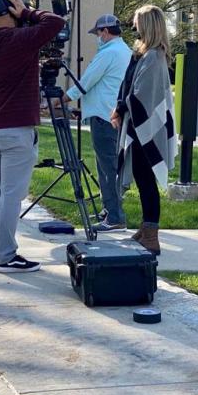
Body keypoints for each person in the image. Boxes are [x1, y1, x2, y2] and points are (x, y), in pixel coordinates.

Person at [0, 0, 65, 273]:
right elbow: (55, 22)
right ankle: (6, 256)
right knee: (11, 196)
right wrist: (27, 12)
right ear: (13, 13)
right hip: (16, 131)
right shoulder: (20, 41)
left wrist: (8, 13)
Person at [110, 4, 177, 256]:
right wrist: (121, 106)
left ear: (147, 24)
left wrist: (121, 109)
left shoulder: (153, 56)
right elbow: (131, 85)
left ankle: (152, 234)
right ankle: (146, 227)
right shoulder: (147, 53)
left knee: (146, 179)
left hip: (145, 128)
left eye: (137, 21)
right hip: (139, 125)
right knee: (142, 177)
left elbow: (142, 95)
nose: (134, 26)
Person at [61, 14, 131, 232]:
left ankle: (115, 217)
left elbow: (86, 82)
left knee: (106, 167)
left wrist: (62, 98)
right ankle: (110, 209)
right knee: (111, 165)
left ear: (105, 32)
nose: (97, 37)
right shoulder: (126, 51)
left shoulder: (108, 53)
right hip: (115, 114)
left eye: (98, 33)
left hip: (103, 116)